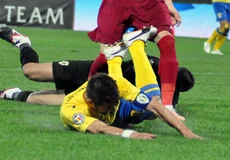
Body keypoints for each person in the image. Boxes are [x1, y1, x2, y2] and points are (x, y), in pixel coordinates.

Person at [0, 26, 195, 107]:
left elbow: (165, 110)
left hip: (99, 91)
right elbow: (121, 69)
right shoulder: (152, 64)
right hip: (92, 71)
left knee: (40, 98)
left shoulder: (169, 96)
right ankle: (22, 42)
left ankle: (10, 95)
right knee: (31, 71)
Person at [60, 27, 200, 139]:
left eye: (115, 102)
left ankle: (120, 54)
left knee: (154, 104)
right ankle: (121, 53)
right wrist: (132, 134)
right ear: (90, 103)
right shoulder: (71, 110)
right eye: (109, 106)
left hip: (123, 106)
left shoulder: (117, 83)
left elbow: (155, 105)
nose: (112, 107)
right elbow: (100, 128)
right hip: (119, 116)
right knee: (147, 112)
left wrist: (186, 131)